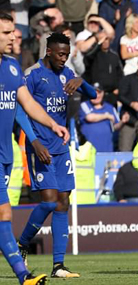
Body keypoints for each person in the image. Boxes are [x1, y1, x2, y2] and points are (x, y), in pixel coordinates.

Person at [18, 32, 96, 278]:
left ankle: (58, 266)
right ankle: (22, 244)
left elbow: (93, 95)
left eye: (68, 53)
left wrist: (80, 81)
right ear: (48, 51)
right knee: (50, 200)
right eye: (60, 54)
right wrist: (34, 142)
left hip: (61, 148)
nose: (64, 58)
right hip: (40, 147)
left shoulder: (67, 73)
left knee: (63, 201)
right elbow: (21, 109)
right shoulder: (33, 74)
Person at [0, 13, 68, 285]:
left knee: (3, 214)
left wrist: (53, 124)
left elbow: (27, 104)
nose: (13, 37)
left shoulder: (13, 67)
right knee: (4, 213)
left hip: (6, 155)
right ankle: (23, 276)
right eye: (5, 33)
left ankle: (23, 275)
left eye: (13, 32)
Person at [79, 83, 128, 152]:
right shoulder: (85, 105)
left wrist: (122, 121)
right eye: (93, 93)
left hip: (107, 150)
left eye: (99, 92)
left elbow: (115, 127)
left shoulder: (110, 108)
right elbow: (89, 117)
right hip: (88, 152)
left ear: (103, 93)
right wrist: (107, 116)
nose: (96, 95)